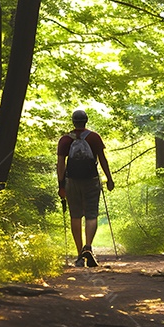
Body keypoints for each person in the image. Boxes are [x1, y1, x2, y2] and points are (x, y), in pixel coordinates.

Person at [57, 109, 114, 267]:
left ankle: (79, 254)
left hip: (72, 181)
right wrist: (109, 179)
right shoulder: (94, 137)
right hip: (91, 180)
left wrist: (61, 185)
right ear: (86, 121)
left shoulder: (65, 140)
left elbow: (61, 164)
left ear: (73, 121)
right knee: (91, 214)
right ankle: (88, 247)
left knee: (75, 215)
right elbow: (102, 159)